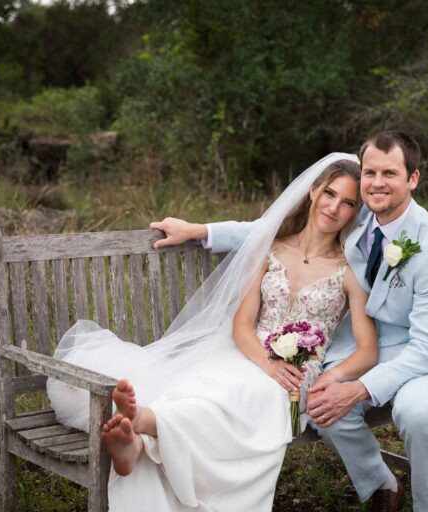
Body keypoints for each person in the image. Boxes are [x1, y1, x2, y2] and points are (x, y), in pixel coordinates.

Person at [47, 154, 378, 512]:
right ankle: (141, 439)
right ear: (313, 191)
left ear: (355, 212)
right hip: (251, 354)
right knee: (204, 389)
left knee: (244, 398)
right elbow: (241, 322)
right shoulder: (272, 248)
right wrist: (266, 362)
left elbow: (367, 350)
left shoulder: (348, 270)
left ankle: (145, 433)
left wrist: (330, 378)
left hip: (297, 380)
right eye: (330, 194)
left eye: (348, 203)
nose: (335, 208)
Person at [165, 131, 428, 512]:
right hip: (356, 345)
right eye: (371, 173)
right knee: (321, 405)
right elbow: (268, 232)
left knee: (415, 415)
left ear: (412, 179)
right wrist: (202, 231)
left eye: (390, 174)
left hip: (414, 354)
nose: (378, 183)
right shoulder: (364, 207)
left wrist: (359, 388)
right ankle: (381, 483)